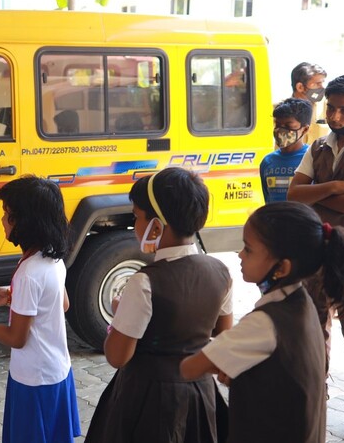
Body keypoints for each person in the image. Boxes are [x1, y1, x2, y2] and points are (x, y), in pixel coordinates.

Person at [85, 167, 233, 443]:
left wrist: (120, 317)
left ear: (156, 225)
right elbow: (222, 333)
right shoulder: (220, 271)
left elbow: (118, 356)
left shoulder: (144, 282)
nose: (135, 226)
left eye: (136, 217)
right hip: (200, 391)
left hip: (148, 397)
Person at [181, 201, 344, 442]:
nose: (240, 255)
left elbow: (190, 368)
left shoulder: (263, 324)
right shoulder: (303, 302)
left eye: (248, 249)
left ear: (281, 267)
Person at [0, 175, 80, 443]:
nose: (2, 221)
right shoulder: (52, 258)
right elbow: (61, 303)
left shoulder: (29, 273)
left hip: (34, 379)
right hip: (57, 370)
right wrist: (12, 296)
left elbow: (16, 338)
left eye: (8, 215)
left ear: (27, 222)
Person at [287, 73, 344, 441]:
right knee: (313, 330)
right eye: (330, 108)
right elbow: (293, 194)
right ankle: (315, 401)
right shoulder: (319, 146)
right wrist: (333, 187)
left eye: (343, 110)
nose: (334, 116)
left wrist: (315, 193)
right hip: (317, 249)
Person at [259, 98, 312, 203]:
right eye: (277, 125)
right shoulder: (268, 161)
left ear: (305, 129)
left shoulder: (312, 158)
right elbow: (268, 198)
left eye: (288, 126)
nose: (280, 130)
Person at [291, 62, 329, 144]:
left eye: (322, 82)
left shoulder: (328, 107)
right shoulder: (280, 110)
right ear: (300, 87)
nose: (322, 87)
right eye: (317, 84)